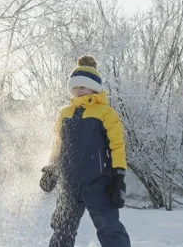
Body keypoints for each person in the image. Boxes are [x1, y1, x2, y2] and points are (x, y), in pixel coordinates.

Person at [40, 55, 131, 247]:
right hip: (69, 184)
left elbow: (117, 146)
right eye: (75, 87)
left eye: (83, 86)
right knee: (62, 227)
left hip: (98, 183)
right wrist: (51, 168)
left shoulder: (105, 113)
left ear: (94, 87)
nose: (78, 91)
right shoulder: (65, 113)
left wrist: (119, 177)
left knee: (108, 226)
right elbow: (58, 144)